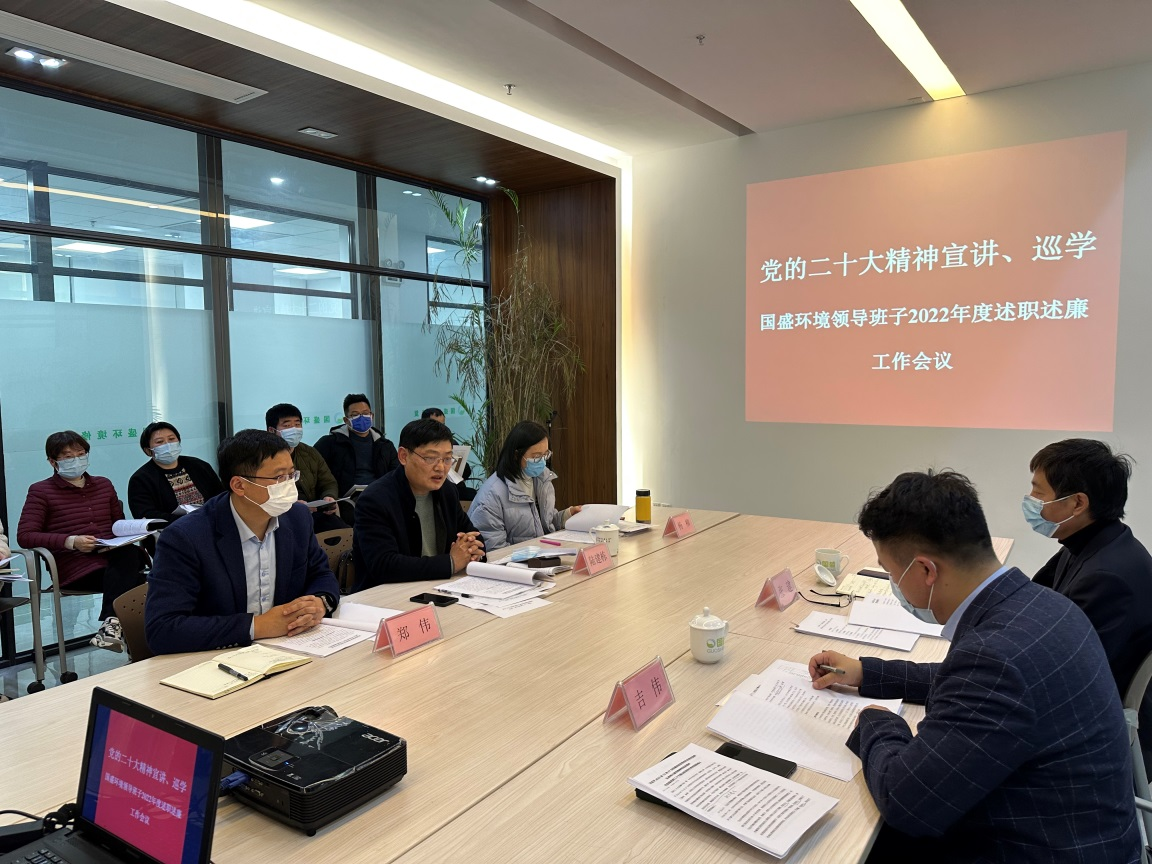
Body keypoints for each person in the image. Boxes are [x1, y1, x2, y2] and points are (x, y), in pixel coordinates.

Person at [806, 470, 1138, 862]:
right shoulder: (1042, 604)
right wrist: (869, 673)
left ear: (926, 571)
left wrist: (876, 723)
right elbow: (966, 685)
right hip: (1082, 829)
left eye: (891, 572)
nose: (894, 583)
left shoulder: (994, 659)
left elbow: (906, 801)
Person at [145, 429, 341, 655]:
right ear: (239, 485)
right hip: (214, 658)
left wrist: (320, 602)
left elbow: (321, 574)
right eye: (279, 478)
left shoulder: (297, 518)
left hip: (289, 648)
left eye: (291, 475)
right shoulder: (186, 537)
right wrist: (258, 626)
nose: (289, 486)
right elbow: (162, 629)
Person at [1025, 438, 1152, 760]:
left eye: (1038, 493)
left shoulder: (1107, 577)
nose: (1031, 501)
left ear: (1077, 503)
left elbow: (1058, 675)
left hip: (1093, 733)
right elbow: (1030, 601)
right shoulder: (1094, 542)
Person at [16, 430, 146, 652]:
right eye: (68, 456)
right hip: (76, 568)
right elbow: (25, 535)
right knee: (142, 579)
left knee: (134, 559)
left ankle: (112, 628)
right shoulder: (41, 491)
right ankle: (125, 638)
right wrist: (71, 541)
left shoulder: (103, 484)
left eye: (80, 453)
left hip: (113, 560)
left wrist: (138, 529)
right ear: (52, 462)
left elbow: (118, 525)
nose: (76, 460)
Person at [353, 418, 484, 587]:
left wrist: (473, 550)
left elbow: (474, 536)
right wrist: (451, 562)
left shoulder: (447, 491)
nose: (441, 467)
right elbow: (384, 565)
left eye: (447, 459)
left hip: (439, 585)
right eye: (430, 458)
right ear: (403, 456)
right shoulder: (375, 499)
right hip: (387, 594)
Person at [469, 420, 582, 551]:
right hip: (515, 561)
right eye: (536, 456)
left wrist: (565, 516)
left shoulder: (542, 479)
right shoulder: (491, 495)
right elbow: (493, 550)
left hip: (542, 555)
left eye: (545, 455)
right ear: (516, 455)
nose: (542, 462)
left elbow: (544, 525)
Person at [314, 394, 400, 524]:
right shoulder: (329, 443)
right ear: (346, 420)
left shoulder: (385, 445)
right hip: (345, 500)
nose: (361, 418)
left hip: (379, 496)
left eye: (365, 413)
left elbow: (396, 474)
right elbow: (318, 474)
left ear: (371, 416)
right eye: (355, 415)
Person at [266, 402, 345, 532]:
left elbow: (327, 481)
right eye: (287, 426)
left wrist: (328, 496)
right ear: (272, 430)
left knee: (340, 529)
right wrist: (291, 504)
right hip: (281, 517)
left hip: (314, 513)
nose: (294, 429)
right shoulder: (264, 458)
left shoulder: (310, 453)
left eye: (297, 424)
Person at [127, 421, 224, 521]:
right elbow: (145, 514)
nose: (168, 444)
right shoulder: (140, 479)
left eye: (171, 439)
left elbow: (221, 496)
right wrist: (186, 520)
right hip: (171, 528)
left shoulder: (199, 466)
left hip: (211, 523)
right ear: (148, 450)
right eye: (159, 442)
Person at [421, 406, 475, 501]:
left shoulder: (451, 443)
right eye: (436, 425)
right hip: (430, 487)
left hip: (453, 486)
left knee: (471, 494)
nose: (441, 429)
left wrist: (458, 464)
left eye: (443, 425)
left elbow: (466, 473)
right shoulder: (420, 445)